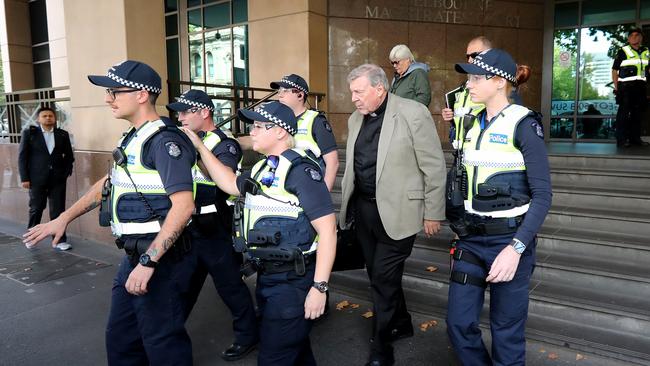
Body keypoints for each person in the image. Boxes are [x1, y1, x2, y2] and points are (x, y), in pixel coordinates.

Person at [23, 60, 198, 365]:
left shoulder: (164, 141)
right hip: (134, 256)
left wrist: (149, 261)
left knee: (162, 343)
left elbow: (184, 207)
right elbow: (108, 183)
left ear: (142, 95)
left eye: (115, 91)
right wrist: (63, 217)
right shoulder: (132, 137)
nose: (108, 98)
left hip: (157, 259)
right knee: (121, 339)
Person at [182, 100, 336, 366]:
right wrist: (199, 147)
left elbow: (328, 230)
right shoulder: (264, 167)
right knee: (296, 352)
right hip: (269, 276)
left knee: (274, 357)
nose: (251, 131)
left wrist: (319, 288)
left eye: (258, 126)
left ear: (279, 131)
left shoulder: (301, 171)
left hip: (293, 281)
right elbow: (230, 183)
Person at [446, 48, 552, 365]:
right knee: (458, 324)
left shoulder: (524, 124)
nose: (469, 84)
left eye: (476, 78)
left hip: (510, 242)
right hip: (471, 241)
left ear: (499, 82)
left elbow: (543, 195)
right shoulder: (473, 124)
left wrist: (516, 248)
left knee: (506, 334)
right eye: (469, 78)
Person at [339, 64, 446, 366]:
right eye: (351, 93)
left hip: (400, 211)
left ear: (379, 88)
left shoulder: (412, 113)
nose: (354, 99)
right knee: (377, 274)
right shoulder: (354, 118)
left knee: (383, 279)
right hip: (364, 210)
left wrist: (433, 211)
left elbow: (434, 165)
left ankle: (381, 347)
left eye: (359, 92)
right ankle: (401, 321)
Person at [166, 89, 259, 361]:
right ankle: (165, 334)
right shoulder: (190, 139)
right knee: (182, 284)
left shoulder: (224, 142)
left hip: (216, 226)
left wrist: (198, 148)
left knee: (230, 286)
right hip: (189, 225)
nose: (179, 117)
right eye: (178, 112)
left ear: (204, 112)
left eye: (185, 112)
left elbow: (224, 177)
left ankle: (248, 335)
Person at [239, 74, 339, 191]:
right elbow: (254, 139)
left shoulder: (316, 121)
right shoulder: (277, 120)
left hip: (306, 187)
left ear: (300, 95)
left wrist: (323, 195)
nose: (280, 94)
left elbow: (333, 162)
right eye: (279, 90)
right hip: (278, 185)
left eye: (285, 90)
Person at [18, 106, 74, 251]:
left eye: (50, 115)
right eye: (44, 116)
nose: (48, 118)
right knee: (36, 208)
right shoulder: (30, 134)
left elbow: (69, 157)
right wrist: (25, 178)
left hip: (57, 179)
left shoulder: (62, 134)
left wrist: (66, 172)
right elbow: (22, 157)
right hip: (36, 179)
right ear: (38, 119)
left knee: (58, 210)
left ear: (55, 118)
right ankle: (31, 238)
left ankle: (60, 240)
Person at [612, 28, 650, 147]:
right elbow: (614, 70)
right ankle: (621, 140)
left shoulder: (646, 51)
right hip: (626, 88)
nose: (634, 37)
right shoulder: (623, 50)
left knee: (637, 114)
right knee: (623, 114)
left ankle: (635, 139)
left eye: (637, 35)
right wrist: (617, 87)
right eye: (632, 35)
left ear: (641, 37)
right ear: (628, 38)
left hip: (641, 87)